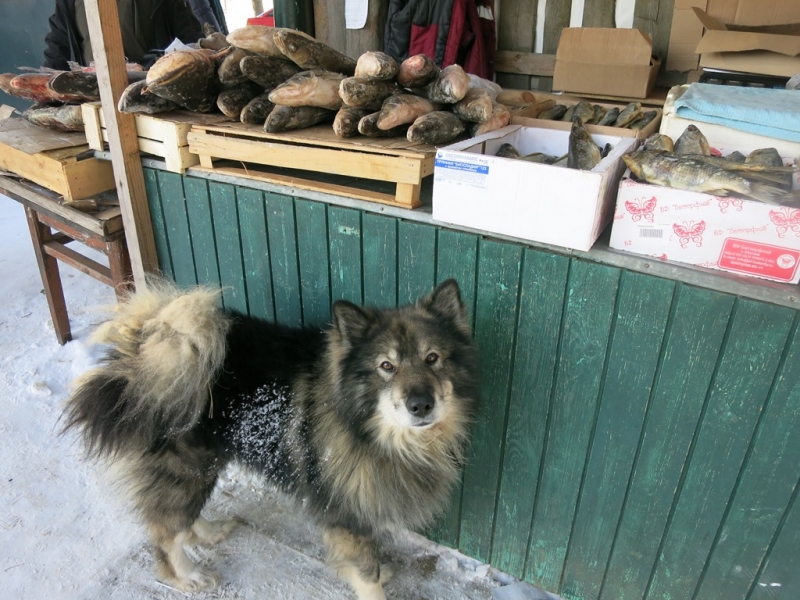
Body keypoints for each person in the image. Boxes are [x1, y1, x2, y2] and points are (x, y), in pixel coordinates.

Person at [42, 0, 205, 71]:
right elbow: (58, 49)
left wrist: (152, 64)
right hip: (94, 106)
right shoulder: (69, 3)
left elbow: (192, 45)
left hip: (151, 100)